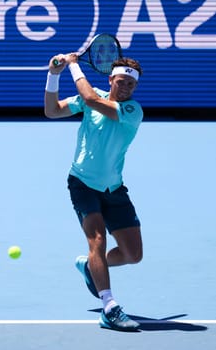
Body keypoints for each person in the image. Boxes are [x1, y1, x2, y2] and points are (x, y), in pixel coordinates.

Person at [44, 52, 143, 332]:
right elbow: (52, 111)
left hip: (114, 188)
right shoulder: (94, 97)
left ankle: (90, 267)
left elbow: (91, 100)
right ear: (111, 79)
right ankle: (109, 307)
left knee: (132, 255)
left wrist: (73, 65)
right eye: (121, 82)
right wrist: (54, 75)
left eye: (130, 85)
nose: (125, 88)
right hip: (82, 183)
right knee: (97, 239)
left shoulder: (133, 111)